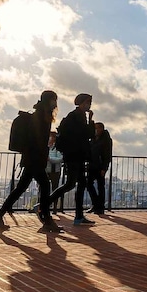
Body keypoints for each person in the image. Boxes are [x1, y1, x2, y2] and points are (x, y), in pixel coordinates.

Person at [0, 91, 62, 232]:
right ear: (51, 101)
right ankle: (47, 219)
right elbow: (37, 139)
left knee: (21, 188)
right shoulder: (42, 116)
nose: (55, 103)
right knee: (44, 186)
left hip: (31, 159)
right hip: (35, 159)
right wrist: (41, 153)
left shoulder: (40, 113)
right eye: (54, 100)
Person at [48, 93, 96, 226]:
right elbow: (87, 134)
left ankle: (79, 215)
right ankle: (45, 204)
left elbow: (87, 135)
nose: (89, 105)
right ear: (81, 103)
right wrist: (90, 120)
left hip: (75, 155)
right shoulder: (76, 117)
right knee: (72, 184)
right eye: (88, 102)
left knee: (78, 183)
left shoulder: (76, 116)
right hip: (75, 155)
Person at [86, 122, 112, 215]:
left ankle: (100, 207)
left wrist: (104, 168)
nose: (96, 130)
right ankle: (95, 204)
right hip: (92, 165)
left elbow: (107, 155)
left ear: (101, 129)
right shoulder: (93, 139)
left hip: (100, 166)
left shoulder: (106, 140)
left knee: (101, 187)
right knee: (88, 184)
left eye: (97, 128)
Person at [46, 131, 64, 214]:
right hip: (46, 169)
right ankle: (42, 205)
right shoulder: (46, 147)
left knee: (55, 188)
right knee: (43, 188)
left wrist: (50, 159)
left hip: (54, 170)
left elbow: (60, 159)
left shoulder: (58, 148)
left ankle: (55, 207)